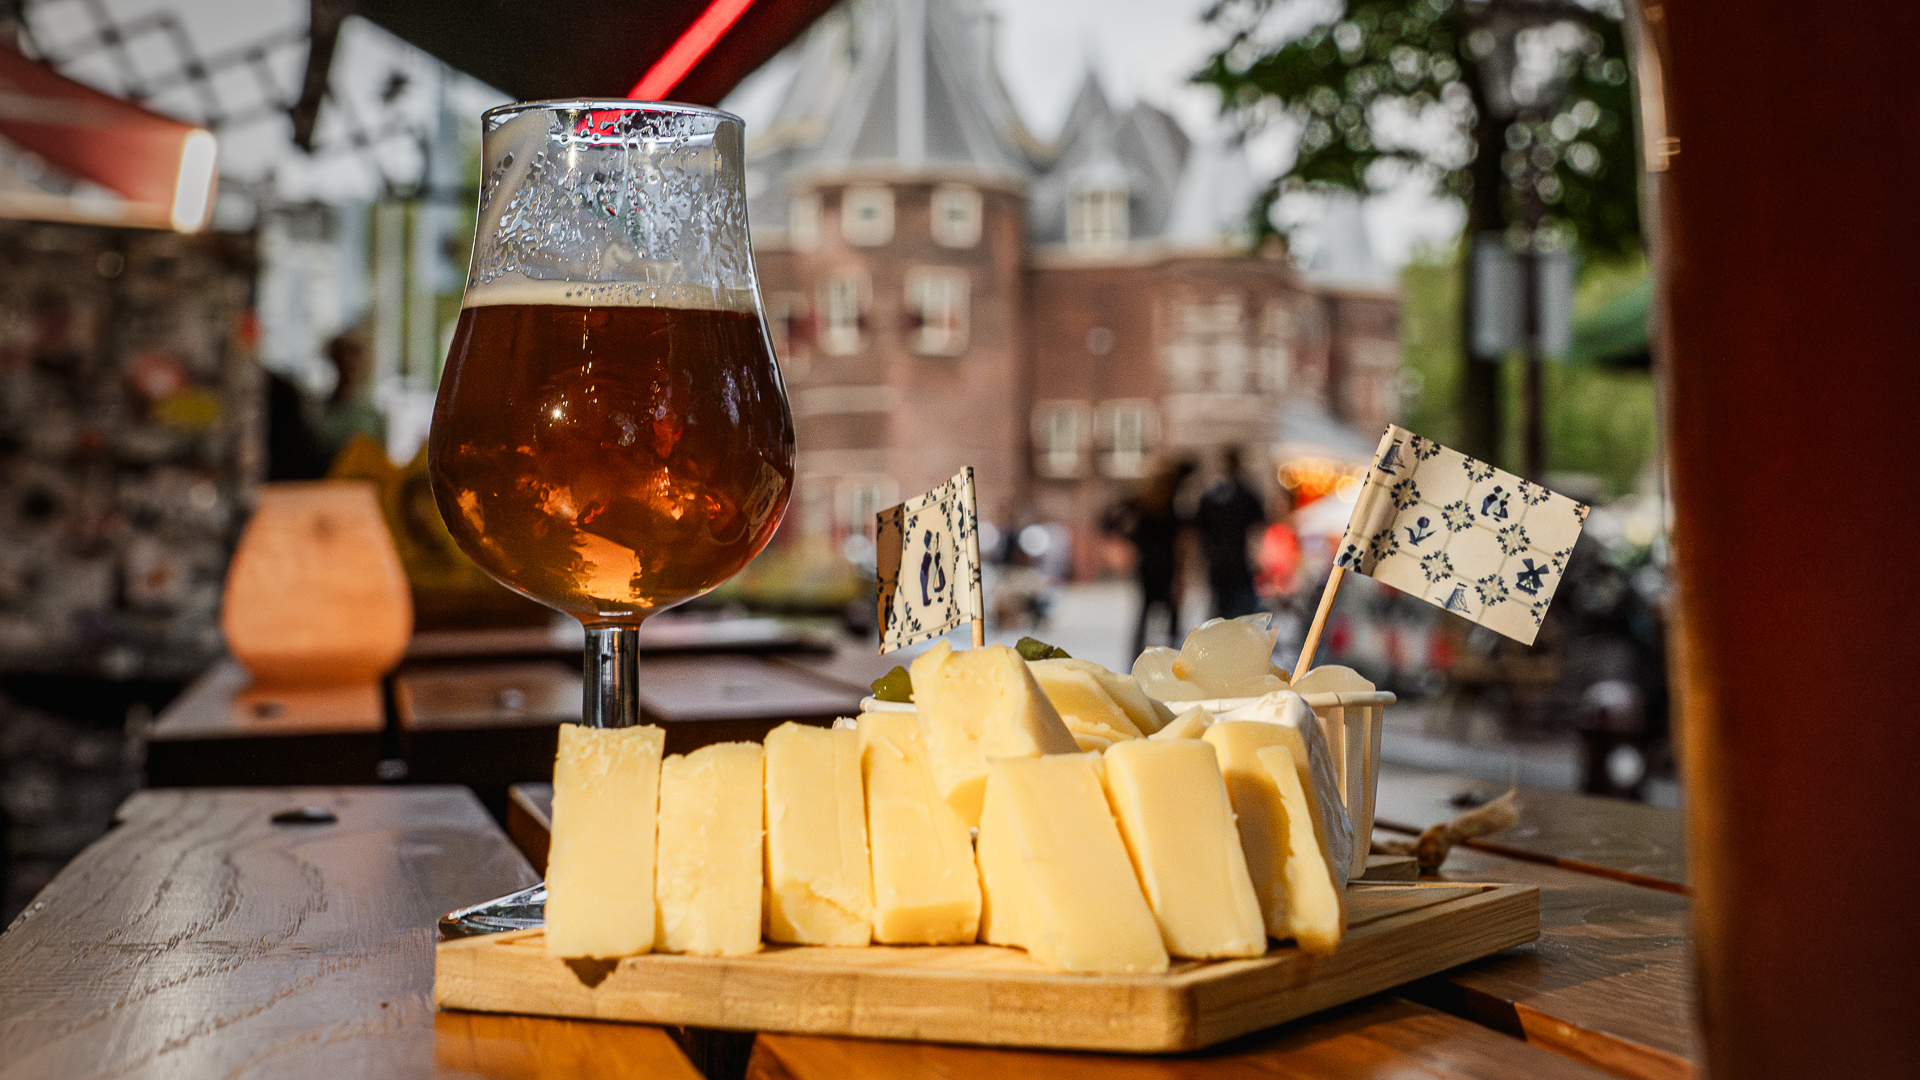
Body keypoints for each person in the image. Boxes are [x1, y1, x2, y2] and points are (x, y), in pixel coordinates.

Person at [1114, 458, 1196, 657]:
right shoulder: (1172, 503)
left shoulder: (1145, 499)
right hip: (1166, 565)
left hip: (1147, 564)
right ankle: (1174, 654)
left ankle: (1137, 655)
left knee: (1145, 611)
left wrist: (1133, 538)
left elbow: (1115, 517)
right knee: (1172, 612)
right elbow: (1179, 539)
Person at [1195, 446, 1267, 619]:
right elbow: (1259, 528)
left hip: (1217, 564)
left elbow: (1198, 531)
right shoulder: (1246, 494)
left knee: (1220, 613)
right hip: (1239, 564)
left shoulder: (1210, 495)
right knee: (1242, 615)